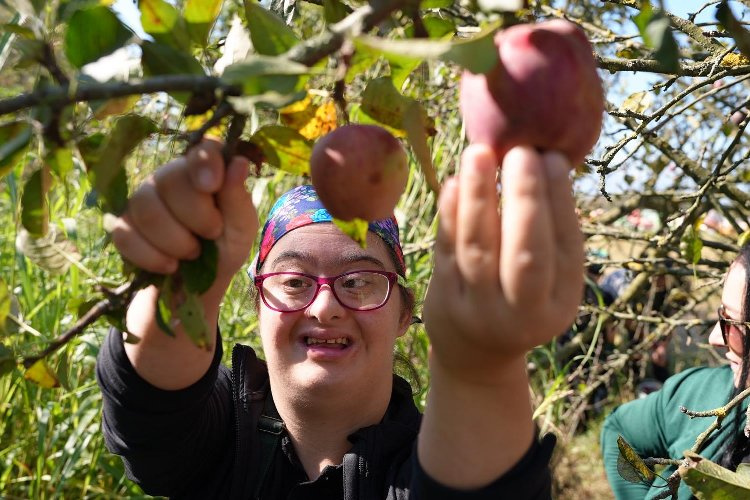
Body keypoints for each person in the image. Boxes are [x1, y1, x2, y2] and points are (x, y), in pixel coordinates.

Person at [96, 139, 584, 499]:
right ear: (256, 303)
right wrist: (183, 279)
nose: (325, 306)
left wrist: (480, 368)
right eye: (293, 282)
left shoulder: (424, 466)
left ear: (403, 314)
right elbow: (150, 406)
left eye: (358, 282)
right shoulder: (221, 436)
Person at [601, 243, 750, 499]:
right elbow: (619, 431)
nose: (716, 337)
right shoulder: (698, 393)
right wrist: (645, 493)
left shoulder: (673, 290)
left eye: (732, 323)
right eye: (720, 315)